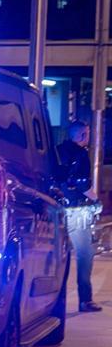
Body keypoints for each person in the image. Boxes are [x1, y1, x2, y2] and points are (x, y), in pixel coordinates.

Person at [59, 119, 103, 313]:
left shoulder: (57, 151)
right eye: (87, 133)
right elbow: (82, 183)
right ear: (82, 135)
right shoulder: (81, 154)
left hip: (57, 210)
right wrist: (96, 200)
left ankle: (54, 298)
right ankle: (85, 299)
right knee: (85, 254)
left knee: (58, 256)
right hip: (77, 211)